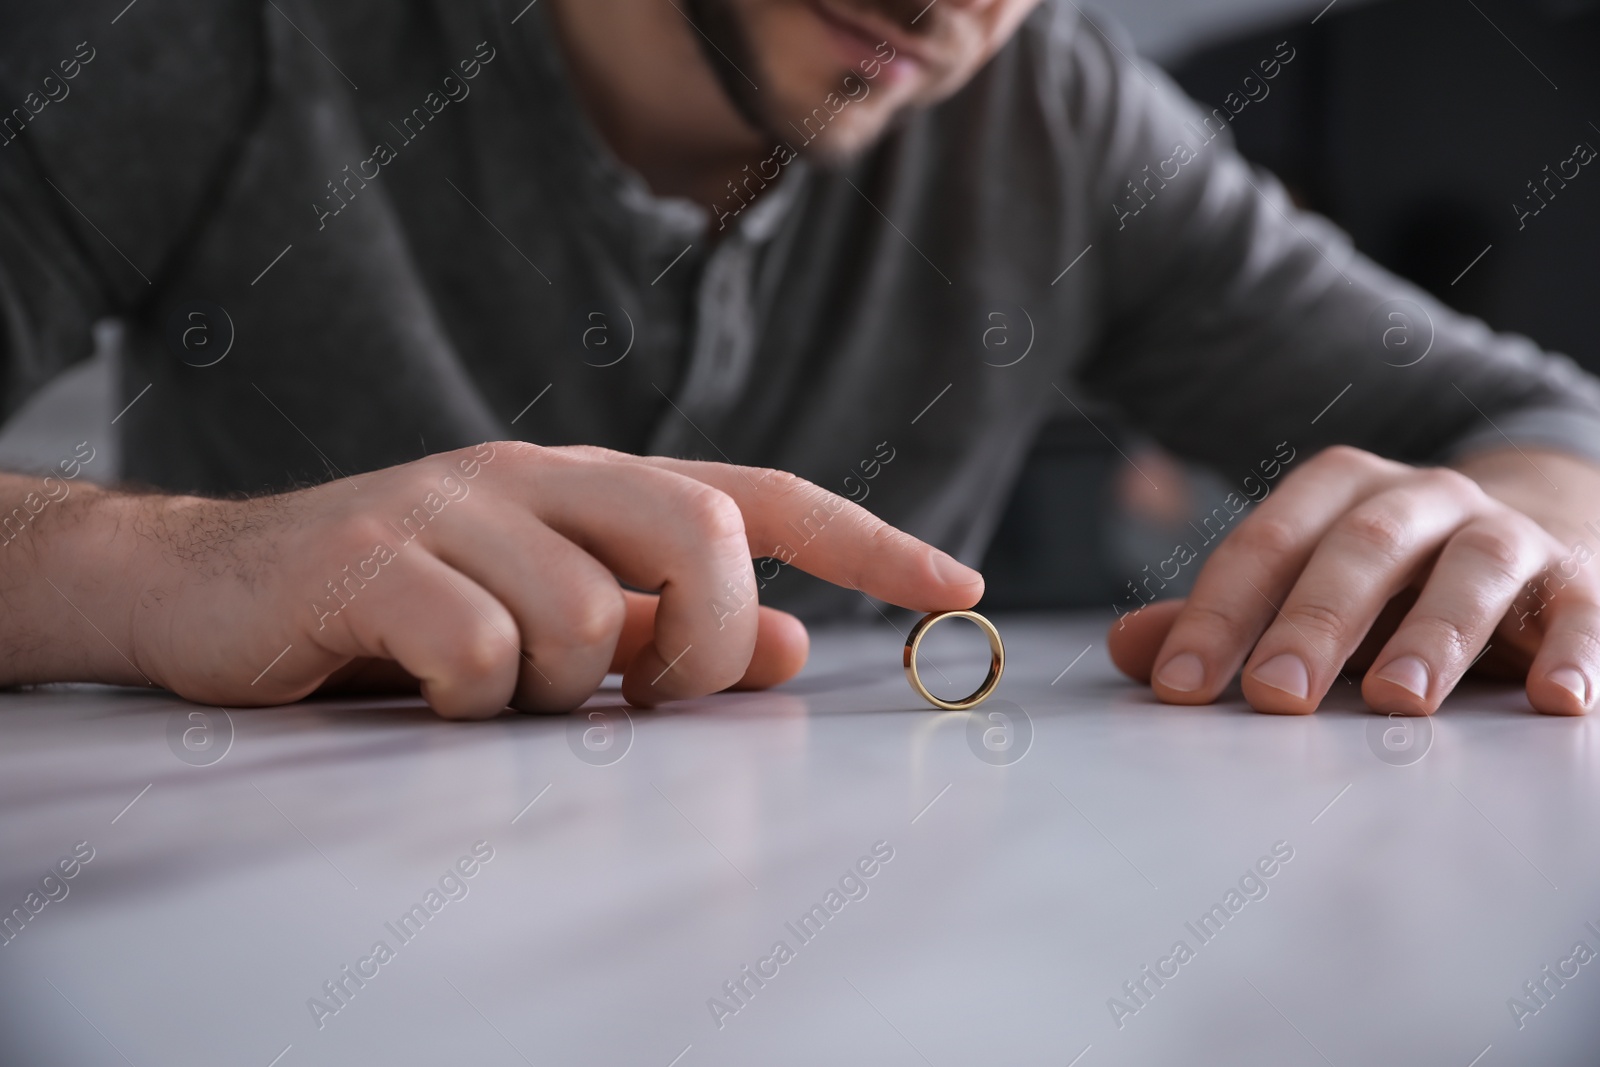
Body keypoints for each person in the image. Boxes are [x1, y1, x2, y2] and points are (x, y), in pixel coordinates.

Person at [1, 0, 1597, 720]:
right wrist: (169, 568)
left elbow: (1543, 422)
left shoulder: (1057, 114)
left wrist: (1501, 530)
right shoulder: (214, 35)